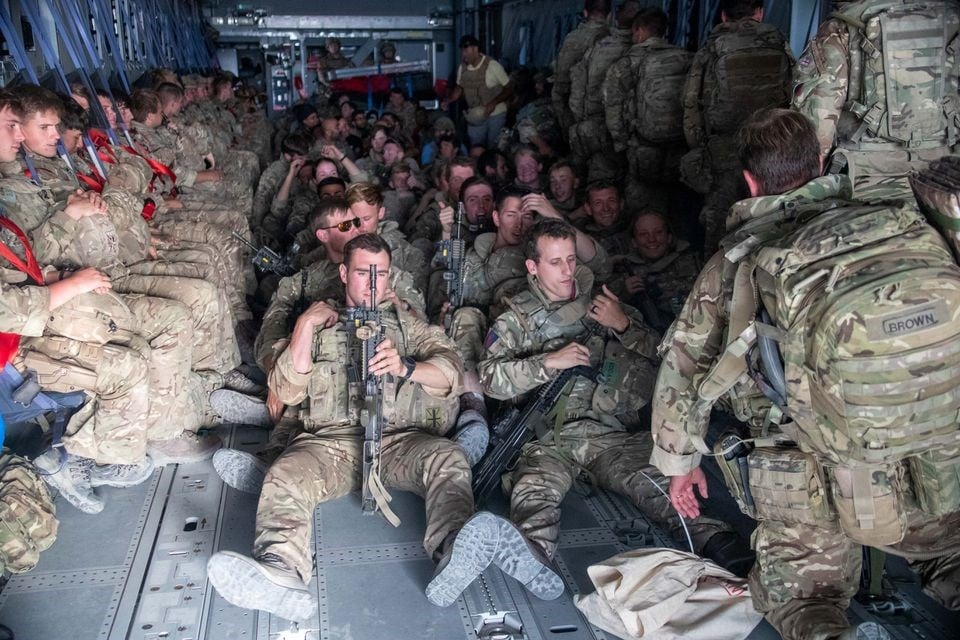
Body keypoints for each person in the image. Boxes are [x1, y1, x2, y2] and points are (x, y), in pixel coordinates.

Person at [652, 108, 960, 640]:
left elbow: (685, 366)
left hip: (804, 467)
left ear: (750, 181)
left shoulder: (738, 262)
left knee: (803, 599)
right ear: (820, 161)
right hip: (931, 443)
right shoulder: (903, 221)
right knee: (949, 555)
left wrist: (680, 463)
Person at [207, 234, 498, 619]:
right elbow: (287, 389)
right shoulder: (319, 323)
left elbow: (451, 373)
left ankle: (453, 550)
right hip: (330, 445)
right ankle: (282, 569)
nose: (373, 284)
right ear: (344, 273)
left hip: (400, 442)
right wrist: (304, 326)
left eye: (382, 274)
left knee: (448, 458)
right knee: (285, 472)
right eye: (363, 273)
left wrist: (406, 366)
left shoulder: (406, 326)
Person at [479, 218, 750, 600]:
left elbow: (668, 358)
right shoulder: (515, 320)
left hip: (610, 434)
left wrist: (623, 324)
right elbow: (490, 379)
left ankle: (722, 546)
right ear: (532, 267)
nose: (567, 270)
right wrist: (548, 362)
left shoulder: (603, 306)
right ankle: (533, 559)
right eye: (555, 262)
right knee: (534, 493)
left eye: (571, 259)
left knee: (657, 485)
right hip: (547, 438)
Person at [792, 0, 959, 200]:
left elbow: (816, 131)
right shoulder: (953, 15)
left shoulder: (843, 25)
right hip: (947, 181)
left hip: (865, 183)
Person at [681, 0, 792, 255]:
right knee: (767, 216)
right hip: (771, 145)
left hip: (724, 146)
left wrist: (698, 147)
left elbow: (690, 100)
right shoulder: (778, 43)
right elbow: (793, 91)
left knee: (720, 218)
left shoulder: (712, 47)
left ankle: (717, 271)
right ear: (760, 13)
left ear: (723, 15)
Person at [603, 7, 691, 213]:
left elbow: (613, 110)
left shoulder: (625, 64)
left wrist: (622, 146)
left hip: (642, 150)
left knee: (642, 209)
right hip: (680, 150)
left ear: (640, 31)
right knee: (679, 206)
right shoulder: (686, 58)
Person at [568, 0, 640, 182]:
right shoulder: (663, 56)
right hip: (642, 141)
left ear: (614, 17)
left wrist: (580, 131)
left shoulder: (597, 49)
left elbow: (574, 94)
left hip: (601, 133)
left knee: (602, 186)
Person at [607, 210, 700, 333]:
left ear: (669, 237)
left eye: (658, 232)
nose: (651, 239)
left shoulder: (694, 263)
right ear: (634, 242)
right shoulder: (623, 270)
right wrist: (623, 292)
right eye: (643, 234)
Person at [552, 0, 610, 142]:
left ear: (585, 13)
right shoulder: (615, 39)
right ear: (609, 15)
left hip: (576, 112)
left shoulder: (572, 38)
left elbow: (561, 80)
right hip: (605, 114)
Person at [443, 35, 512, 148]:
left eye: (466, 51)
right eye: (462, 51)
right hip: (475, 115)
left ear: (475, 49)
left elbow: (509, 87)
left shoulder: (492, 65)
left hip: (495, 114)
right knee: (475, 147)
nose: (463, 54)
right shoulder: (462, 68)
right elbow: (459, 88)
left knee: (494, 147)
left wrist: (494, 102)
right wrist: (449, 100)